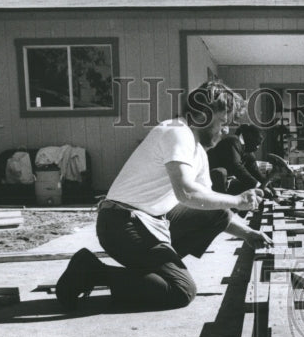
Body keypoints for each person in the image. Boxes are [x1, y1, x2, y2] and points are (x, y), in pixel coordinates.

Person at [55, 81, 271, 311]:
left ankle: (151, 273)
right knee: (181, 291)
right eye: (223, 122)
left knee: (216, 211)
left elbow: (210, 204)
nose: (226, 130)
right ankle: (93, 272)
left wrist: (247, 233)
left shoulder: (198, 152)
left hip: (147, 222)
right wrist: (238, 200)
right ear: (201, 115)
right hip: (120, 225)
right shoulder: (177, 132)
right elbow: (187, 192)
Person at [207, 124, 274, 197]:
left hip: (226, 181)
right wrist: (258, 186)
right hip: (212, 180)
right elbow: (236, 167)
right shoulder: (232, 141)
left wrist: (269, 187)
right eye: (257, 144)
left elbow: (255, 172)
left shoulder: (247, 150)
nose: (257, 147)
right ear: (250, 138)